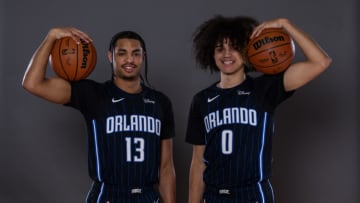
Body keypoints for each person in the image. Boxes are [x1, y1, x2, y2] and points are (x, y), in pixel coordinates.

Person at [185, 15, 331, 203]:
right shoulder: (202, 100)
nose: (227, 54)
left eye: (235, 47)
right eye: (220, 48)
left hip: (253, 195)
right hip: (214, 196)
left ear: (247, 52)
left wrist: (285, 25)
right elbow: (198, 163)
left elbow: (321, 62)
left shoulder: (265, 88)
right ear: (211, 54)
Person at [22, 27, 176, 203]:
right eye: (122, 53)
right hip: (108, 195)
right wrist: (51, 37)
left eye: (136, 53)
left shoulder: (160, 102)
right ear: (111, 56)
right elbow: (32, 83)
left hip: (147, 196)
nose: (129, 59)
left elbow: (166, 168)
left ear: (143, 57)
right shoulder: (93, 94)